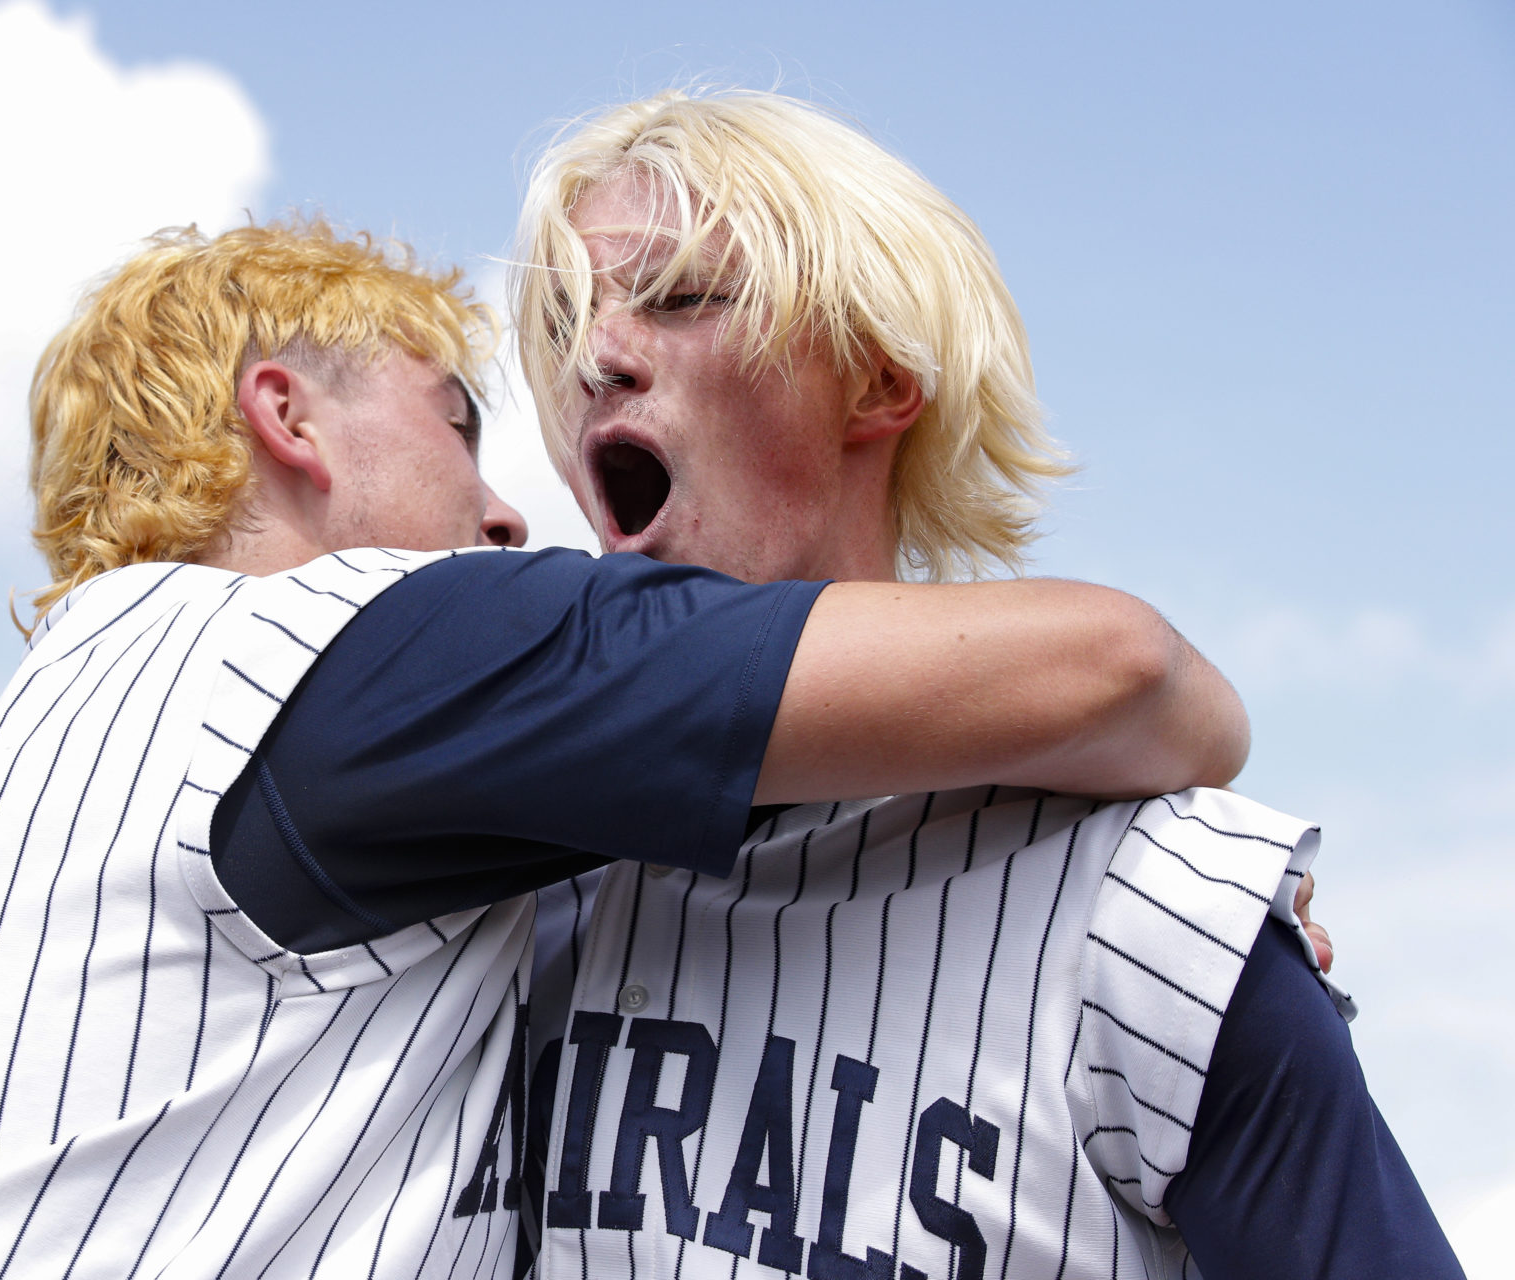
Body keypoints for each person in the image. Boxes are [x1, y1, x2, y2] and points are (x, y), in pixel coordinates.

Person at [0, 219, 1254, 1280]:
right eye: (458, 422)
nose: (509, 510)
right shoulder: (365, 651)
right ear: (288, 419)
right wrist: (1197, 840)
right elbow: (1120, 672)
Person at [510, 89, 1461, 1280]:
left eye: (685, 295)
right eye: (565, 318)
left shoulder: (1159, 913)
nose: (595, 357)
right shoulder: (487, 893)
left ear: (874, 384)